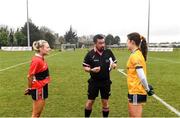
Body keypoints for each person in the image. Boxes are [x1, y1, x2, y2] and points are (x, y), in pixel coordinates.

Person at [82, 34, 117, 117]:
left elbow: (114, 62)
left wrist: (114, 65)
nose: (103, 45)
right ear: (95, 43)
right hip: (94, 82)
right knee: (90, 102)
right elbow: (85, 67)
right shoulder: (90, 54)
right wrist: (91, 70)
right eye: (100, 43)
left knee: (105, 103)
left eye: (103, 43)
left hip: (106, 82)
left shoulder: (108, 52)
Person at [126, 32, 154, 117]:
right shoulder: (136, 54)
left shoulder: (135, 56)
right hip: (133, 91)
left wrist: (147, 88)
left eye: (127, 41)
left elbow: (141, 76)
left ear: (132, 42)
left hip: (136, 92)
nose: (126, 43)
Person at [25, 40, 51, 117]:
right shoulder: (36, 60)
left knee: (37, 114)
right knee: (36, 114)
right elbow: (30, 76)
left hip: (42, 86)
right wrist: (30, 88)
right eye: (47, 47)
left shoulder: (41, 58)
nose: (49, 49)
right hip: (39, 88)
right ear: (41, 48)